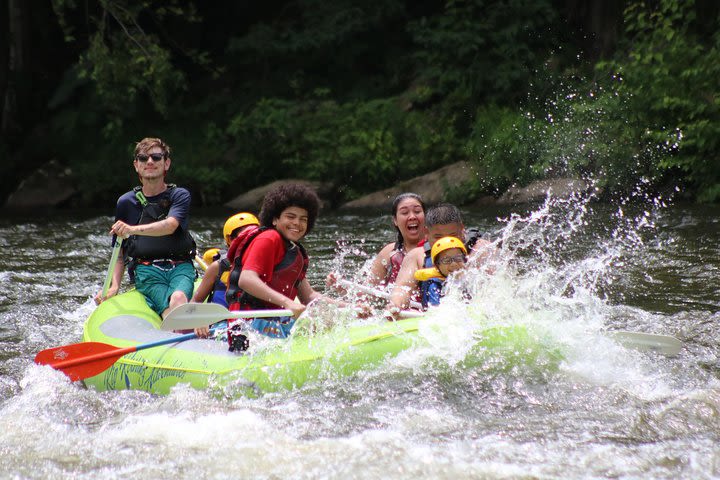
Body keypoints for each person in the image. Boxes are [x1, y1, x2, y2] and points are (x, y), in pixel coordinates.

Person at [94, 137, 196, 320]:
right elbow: (119, 251)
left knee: (179, 297)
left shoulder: (180, 195)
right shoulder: (126, 202)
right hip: (146, 270)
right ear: (136, 165)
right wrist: (114, 285)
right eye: (143, 158)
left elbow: (171, 226)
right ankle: (175, 328)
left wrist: (131, 229)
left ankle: (179, 332)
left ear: (167, 164)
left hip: (181, 267)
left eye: (156, 157)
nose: (149, 162)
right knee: (169, 310)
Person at [222, 183, 325, 341]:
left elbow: (309, 296)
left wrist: (349, 308)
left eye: (303, 219)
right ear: (275, 219)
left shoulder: (294, 250)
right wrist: (288, 303)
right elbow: (246, 280)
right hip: (246, 328)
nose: (297, 223)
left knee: (327, 323)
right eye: (290, 217)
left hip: (274, 323)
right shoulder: (269, 238)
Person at [386, 203, 493, 317]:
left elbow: (499, 287)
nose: (445, 242)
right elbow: (402, 289)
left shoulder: (481, 250)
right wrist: (396, 304)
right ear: (426, 233)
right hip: (435, 318)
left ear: (462, 230)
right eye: (438, 237)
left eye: (452, 235)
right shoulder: (416, 256)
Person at [191, 212, 259, 307]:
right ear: (231, 240)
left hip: (254, 319)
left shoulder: (268, 263)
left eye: (254, 237)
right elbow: (195, 302)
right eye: (245, 237)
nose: (250, 242)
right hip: (221, 320)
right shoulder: (217, 267)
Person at [369, 192, 427, 285]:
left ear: (425, 216)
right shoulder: (389, 252)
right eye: (404, 213)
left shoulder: (438, 248)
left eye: (417, 211)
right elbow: (366, 293)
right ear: (395, 220)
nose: (412, 217)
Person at [413, 236, 468, 308]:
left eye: (458, 258)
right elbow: (437, 312)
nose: (454, 264)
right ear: (437, 266)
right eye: (446, 260)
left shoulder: (473, 278)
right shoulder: (435, 287)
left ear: (465, 259)